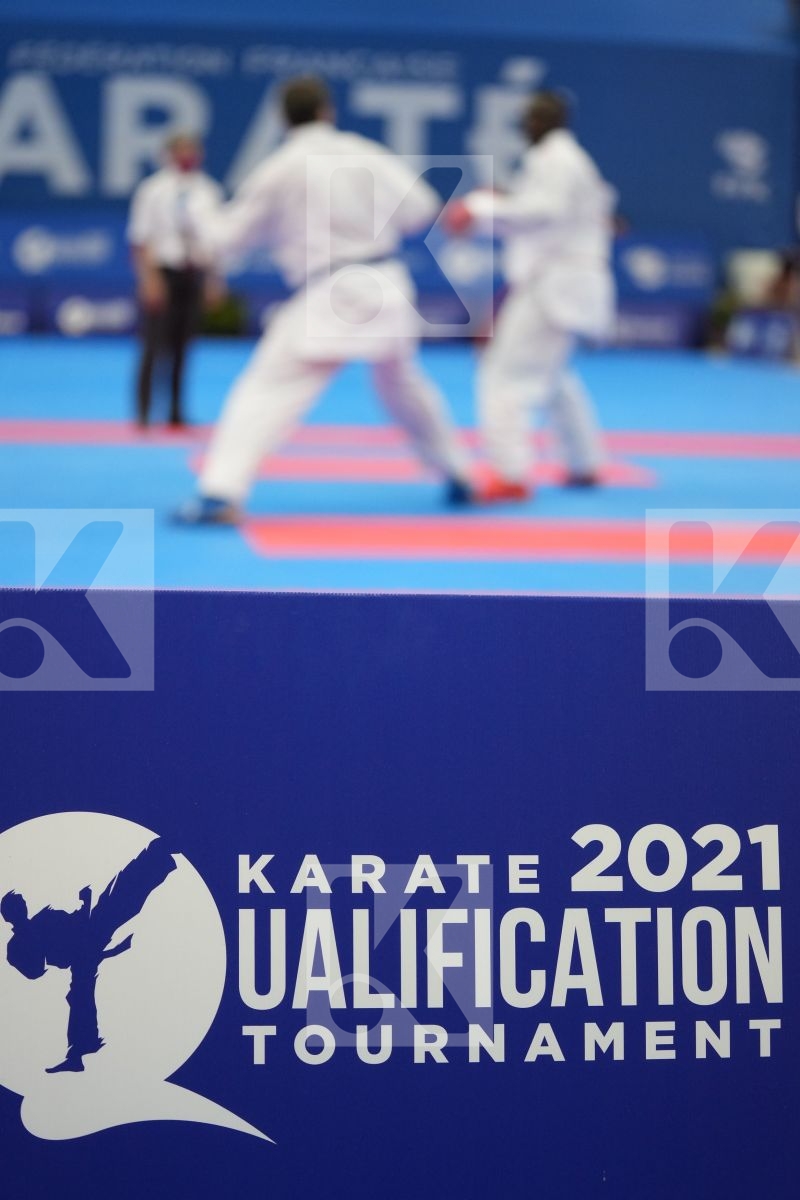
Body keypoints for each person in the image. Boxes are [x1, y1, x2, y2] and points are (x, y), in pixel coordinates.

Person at [174, 75, 472, 524]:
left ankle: (220, 491)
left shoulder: (279, 167)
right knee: (403, 383)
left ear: (283, 119)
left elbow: (225, 239)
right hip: (388, 280)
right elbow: (421, 209)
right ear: (326, 112)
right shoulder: (363, 151)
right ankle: (460, 472)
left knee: (269, 387)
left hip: (332, 289)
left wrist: (194, 206)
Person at [445, 90, 616, 502]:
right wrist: (496, 206)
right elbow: (536, 219)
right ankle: (584, 462)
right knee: (551, 376)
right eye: (527, 117)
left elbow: (542, 213)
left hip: (558, 281)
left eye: (535, 117)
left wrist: (481, 210)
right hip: (558, 279)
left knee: (503, 375)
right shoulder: (558, 161)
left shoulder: (558, 160)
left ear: (551, 121)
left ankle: (510, 472)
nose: (528, 124)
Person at [1, 839, 176, 1073]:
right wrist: (85, 909)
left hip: (89, 940)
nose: (24, 905)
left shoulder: (43, 920)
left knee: (123, 894)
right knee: (123, 896)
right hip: (86, 945)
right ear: (11, 914)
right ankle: (159, 855)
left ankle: (159, 855)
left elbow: (77, 926)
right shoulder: (19, 943)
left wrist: (85, 905)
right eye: (18, 904)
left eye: (22, 902)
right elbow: (36, 969)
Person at [127, 133, 223, 428]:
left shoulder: (208, 190)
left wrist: (214, 279)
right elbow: (141, 237)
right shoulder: (152, 190)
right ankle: (143, 413)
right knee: (154, 346)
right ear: (168, 154)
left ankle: (175, 412)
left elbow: (215, 239)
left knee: (184, 346)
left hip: (193, 273)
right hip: (163, 272)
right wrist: (149, 278)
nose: (187, 155)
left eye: (192, 149)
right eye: (181, 150)